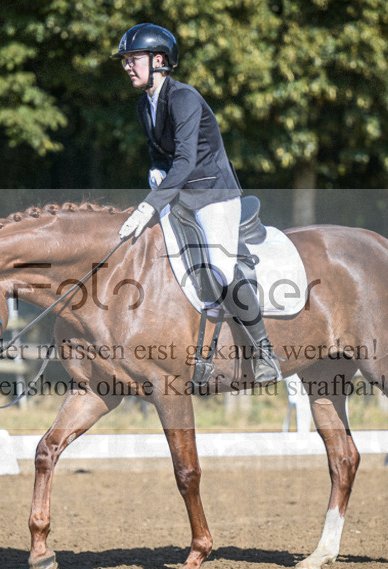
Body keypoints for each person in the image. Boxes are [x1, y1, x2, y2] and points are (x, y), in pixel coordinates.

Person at [112, 23, 281, 385]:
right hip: (180, 196)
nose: (127, 66)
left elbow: (186, 161)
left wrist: (148, 206)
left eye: (133, 59)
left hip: (212, 194)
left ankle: (264, 351)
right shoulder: (146, 105)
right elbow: (162, 156)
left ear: (159, 60)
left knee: (221, 267)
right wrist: (155, 173)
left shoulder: (184, 97)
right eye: (125, 60)